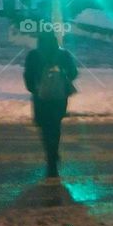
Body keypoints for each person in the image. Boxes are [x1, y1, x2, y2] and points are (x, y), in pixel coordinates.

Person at [23, 30, 78, 179]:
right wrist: (62, 79)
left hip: (41, 99)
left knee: (45, 128)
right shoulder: (64, 54)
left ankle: (50, 156)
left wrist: (35, 89)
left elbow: (27, 77)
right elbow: (74, 73)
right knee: (55, 126)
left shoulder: (33, 55)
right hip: (60, 98)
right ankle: (54, 154)